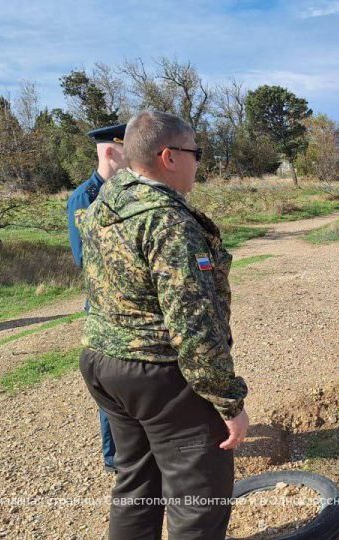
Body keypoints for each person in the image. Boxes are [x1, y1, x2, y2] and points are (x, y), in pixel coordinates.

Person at [76, 110, 249, 540]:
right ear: (169, 157)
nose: (199, 162)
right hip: (158, 372)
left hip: (104, 364)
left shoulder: (106, 202)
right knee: (199, 500)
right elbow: (193, 324)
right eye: (196, 152)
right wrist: (229, 403)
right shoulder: (168, 222)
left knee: (136, 486)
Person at [65, 122, 127, 474]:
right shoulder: (85, 197)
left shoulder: (124, 191)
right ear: (109, 152)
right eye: (125, 149)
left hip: (129, 301)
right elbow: (85, 257)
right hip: (105, 303)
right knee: (111, 384)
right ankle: (114, 457)